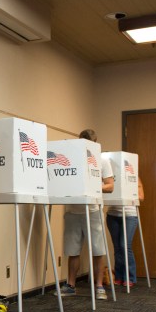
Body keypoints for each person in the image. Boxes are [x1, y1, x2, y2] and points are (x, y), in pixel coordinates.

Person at [57, 129, 114, 300]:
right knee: (72, 250)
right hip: (73, 211)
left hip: (93, 210)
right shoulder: (72, 158)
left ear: (95, 143)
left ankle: (99, 286)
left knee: (98, 250)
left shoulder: (102, 159)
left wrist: (93, 187)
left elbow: (110, 185)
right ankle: (71, 285)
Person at [106, 177, 145, 287]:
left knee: (125, 246)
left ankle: (129, 277)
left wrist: (126, 193)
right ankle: (119, 277)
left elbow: (141, 197)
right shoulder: (111, 177)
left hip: (129, 215)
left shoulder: (134, 177)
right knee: (117, 247)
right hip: (112, 215)